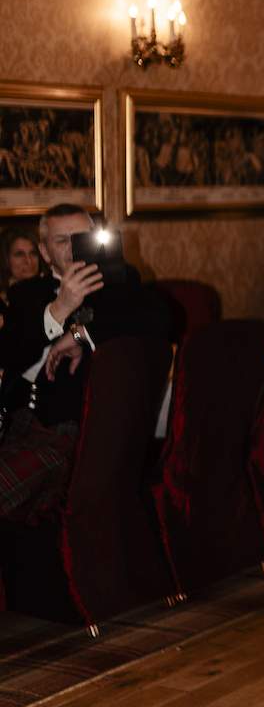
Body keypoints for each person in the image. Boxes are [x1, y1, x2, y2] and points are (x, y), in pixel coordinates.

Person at [0, 204, 168, 520]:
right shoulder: (26, 293)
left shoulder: (117, 283)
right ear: (45, 252)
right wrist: (59, 309)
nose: (73, 248)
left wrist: (82, 334)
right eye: (62, 241)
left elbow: (162, 317)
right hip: (12, 424)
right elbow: (8, 353)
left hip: (68, 435)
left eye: (81, 238)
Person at [0, 228, 43, 322]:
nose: (28, 261)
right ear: (5, 258)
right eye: (19, 254)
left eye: (33, 253)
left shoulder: (49, 293)